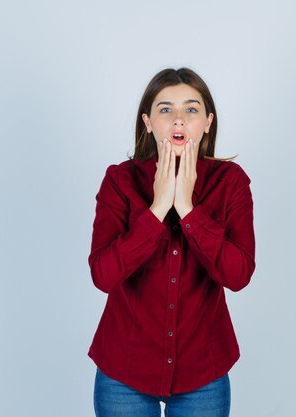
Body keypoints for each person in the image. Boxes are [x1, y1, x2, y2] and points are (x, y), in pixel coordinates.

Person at [88, 67, 255, 417]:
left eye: (191, 109)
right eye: (166, 109)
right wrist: (159, 207)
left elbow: (238, 275)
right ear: (148, 121)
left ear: (208, 121)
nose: (178, 119)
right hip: (124, 372)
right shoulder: (119, 181)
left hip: (203, 373)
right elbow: (103, 275)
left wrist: (189, 211)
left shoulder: (231, 183)